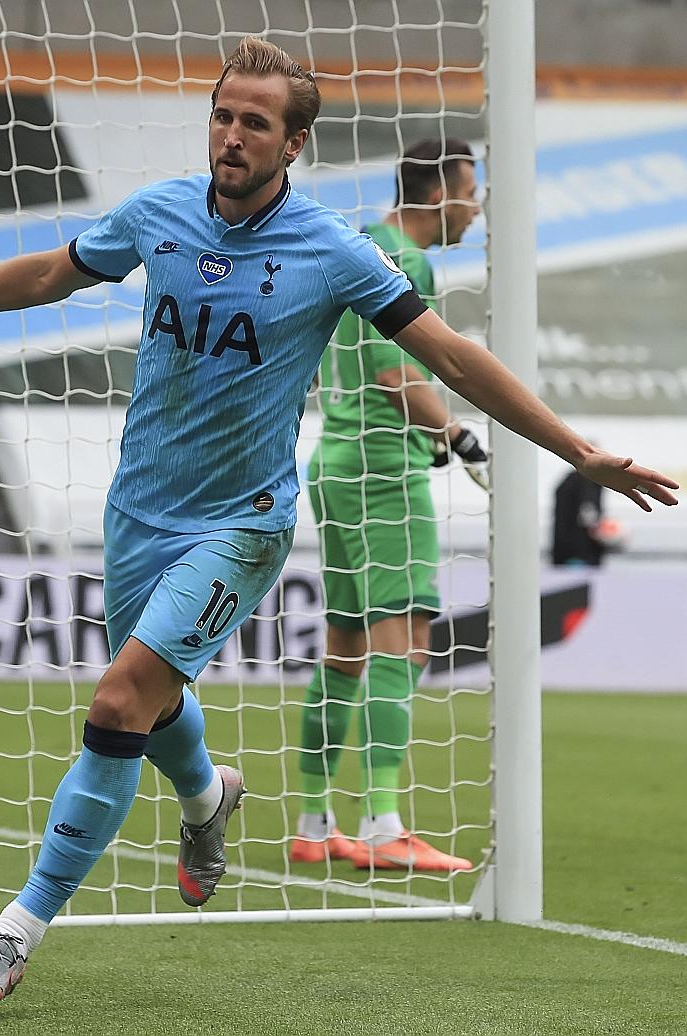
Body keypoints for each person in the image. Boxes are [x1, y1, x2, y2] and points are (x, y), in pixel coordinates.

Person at [0, 37, 679, 1010]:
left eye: (256, 122)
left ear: (295, 143)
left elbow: (447, 357)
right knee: (145, 708)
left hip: (243, 523)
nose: (232, 135)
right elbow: (47, 276)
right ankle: (207, 796)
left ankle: (13, 932)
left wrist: (579, 453)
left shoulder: (334, 252)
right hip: (138, 512)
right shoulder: (159, 213)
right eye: (224, 115)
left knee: (115, 706)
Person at [291, 138, 485, 873]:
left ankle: (315, 823)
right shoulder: (409, 259)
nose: (477, 206)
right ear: (438, 194)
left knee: (344, 649)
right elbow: (396, 374)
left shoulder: (359, 246)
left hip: (336, 464)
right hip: (380, 472)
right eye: (472, 190)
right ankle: (382, 825)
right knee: (404, 641)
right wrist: (457, 432)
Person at [551, 465, 627, 566]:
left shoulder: (566, 483)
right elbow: (589, 517)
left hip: (562, 551)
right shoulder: (589, 484)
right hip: (582, 554)